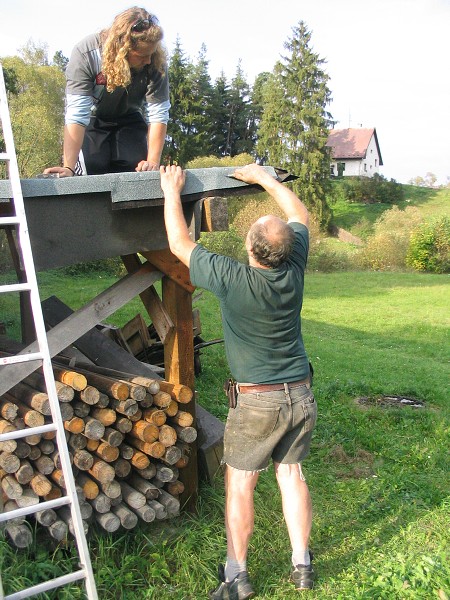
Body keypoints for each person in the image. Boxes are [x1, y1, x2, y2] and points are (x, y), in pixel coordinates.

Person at [160, 163, 317, 598]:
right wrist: (267, 180)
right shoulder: (294, 269)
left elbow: (178, 243)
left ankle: (236, 575)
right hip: (300, 395)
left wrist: (171, 190)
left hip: (257, 404)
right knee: (292, 474)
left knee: (240, 484)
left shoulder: (232, 279)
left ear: (250, 248)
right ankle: (301, 565)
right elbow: (299, 216)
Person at [44, 6, 170, 177]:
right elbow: (76, 113)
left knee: (134, 164)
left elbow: (158, 114)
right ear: (123, 50)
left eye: (151, 53)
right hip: (93, 119)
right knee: (94, 163)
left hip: (129, 119)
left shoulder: (155, 61)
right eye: (141, 55)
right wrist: (68, 168)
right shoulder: (86, 53)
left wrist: (153, 163)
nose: (148, 60)